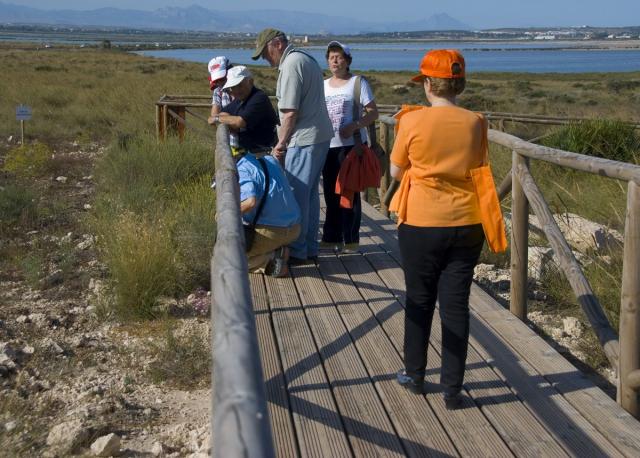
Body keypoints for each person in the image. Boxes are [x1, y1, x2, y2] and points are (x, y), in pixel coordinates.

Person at [389, 50, 487, 410]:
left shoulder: (412, 123)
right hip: (467, 222)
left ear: (429, 83)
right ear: (458, 84)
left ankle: (414, 375)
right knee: (456, 304)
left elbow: (397, 172)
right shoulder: (477, 122)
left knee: (419, 297)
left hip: (420, 222)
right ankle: (452, 387)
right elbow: (478, 166)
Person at [252, 28, 333, 264]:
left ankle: (297, 251)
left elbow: (289, 114)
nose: (266, 59)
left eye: (265, 53)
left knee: (296, 195)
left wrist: (280, 144)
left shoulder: (290, 65)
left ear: (276, 44)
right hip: (319, 136)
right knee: (309, 196)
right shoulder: (305, 58)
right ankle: (309, 247)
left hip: (304, 138)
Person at [211, 65, 300, 276]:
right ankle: (278, 249)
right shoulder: (265, 162)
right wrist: (221, 117)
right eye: (231, 89)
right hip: (294, 226)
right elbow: (221, 116)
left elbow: (250, 202)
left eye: (239, 86)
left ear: (250, 81)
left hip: (276, 229)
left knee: (228, 259)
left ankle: (271, 260)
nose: (235, 91)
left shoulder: (245, 167)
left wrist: (224, 214)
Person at [321, 41, 379, 253]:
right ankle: (331, 236)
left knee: (349, 192)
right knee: (329, 192)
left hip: (351, 146)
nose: (335, 61)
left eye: (339, 57)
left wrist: (355, 125)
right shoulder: (323, 84)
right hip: (328, 145)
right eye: (331, 57)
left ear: (347, 60)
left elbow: (373, 112)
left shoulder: (358, 83)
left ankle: (351, 239)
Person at [206, 56, 239, 148]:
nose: (220, 83)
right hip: (231, 145)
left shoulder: (243, 89)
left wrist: (223, 118)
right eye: (216, 81)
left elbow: (242, 121)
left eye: (222, 78)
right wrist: (233, 121)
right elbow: (213, 118)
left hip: (252, 147)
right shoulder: (218, 91)